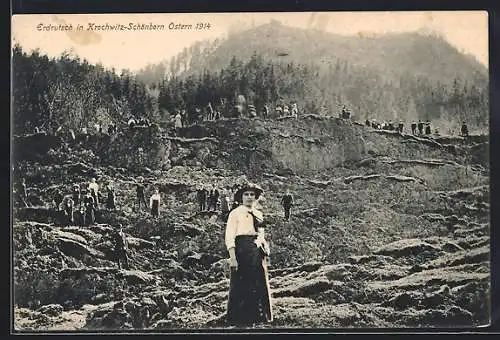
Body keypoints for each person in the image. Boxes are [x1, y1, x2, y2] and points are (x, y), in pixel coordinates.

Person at [225, 183, 273, 327]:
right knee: (241, 282)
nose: (249, 197)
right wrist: (233, 257)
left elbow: (262, 234)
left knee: (258, 281)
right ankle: (240, 318)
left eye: (252, 195)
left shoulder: (259, 214)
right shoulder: (235, 213)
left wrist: (264, 247)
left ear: (256, 197)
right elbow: (229, 236)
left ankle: (259, 316)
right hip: (241, 250)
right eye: (246, 194)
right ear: (241, 197)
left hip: (256, 251)